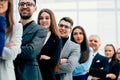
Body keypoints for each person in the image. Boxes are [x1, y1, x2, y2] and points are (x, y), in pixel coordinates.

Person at [14, 0, 47, 80]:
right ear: (18, 7)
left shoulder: (40, 30)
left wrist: (11, 50)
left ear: (35, 8)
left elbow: (31, 52)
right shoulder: (11, 28)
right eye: (22, 4)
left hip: (28, 75)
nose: (25, 6)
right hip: (8, 72)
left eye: (29, 4)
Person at [37, 8, 62, 80]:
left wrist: (36, 58)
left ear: (52, 20)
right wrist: (41, 57)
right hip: (33, 74)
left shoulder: (56, 39)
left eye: (47, 18)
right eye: (41, 18)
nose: (44, 20)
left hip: (48, 76)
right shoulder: (34, 36)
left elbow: (53, 62)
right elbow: (29, 56)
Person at [0, 0, 23, 80]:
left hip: (5, 74)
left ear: (9, 3)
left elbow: (12, 54)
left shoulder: (17, 27)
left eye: (2, 0)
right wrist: (4, 47)